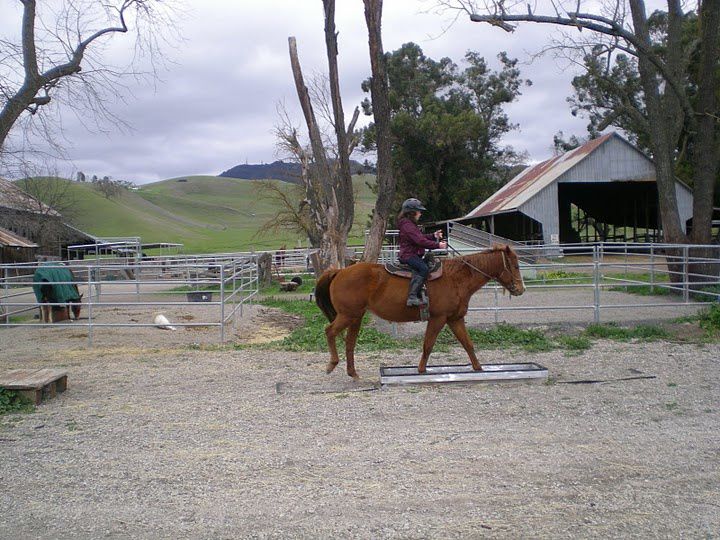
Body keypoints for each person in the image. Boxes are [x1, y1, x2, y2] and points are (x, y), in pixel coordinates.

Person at [397, 198, 447, 306]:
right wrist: (438, 245)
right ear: (411, 212)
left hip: (412, 254)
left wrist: (433, 236)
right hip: (408, 255)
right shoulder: (408, 225)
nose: (420, 213)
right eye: (418, 211)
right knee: (423, 269)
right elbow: (420, 241)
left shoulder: (409, 224)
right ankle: (412, 297)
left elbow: (419, 237)